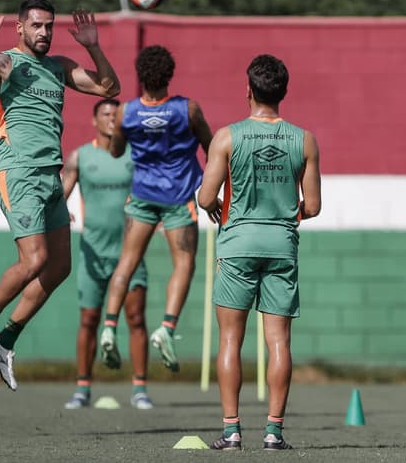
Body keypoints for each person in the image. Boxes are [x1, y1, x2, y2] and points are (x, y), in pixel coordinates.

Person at [0, 0, 120, 391]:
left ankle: (7, 339)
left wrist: (92, 44)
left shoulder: (58, 67)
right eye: (36, 26)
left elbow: (110, 87)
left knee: (58, 267)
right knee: (35, 259)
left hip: (50, 178)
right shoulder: (5, 63)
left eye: (49, 26)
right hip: (17, 172)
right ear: (19, 28)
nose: (44, 33)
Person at [197, 54, 321, 451]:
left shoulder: (227, 136)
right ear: (284, 92)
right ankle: (274, 432)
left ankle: (232, 431)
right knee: (279, 342)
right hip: (282, 245)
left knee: (230, 341)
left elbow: (204, 197)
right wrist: (284, 214)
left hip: (238, 244)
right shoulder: (305, 139)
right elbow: (313, 206)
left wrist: (217, 206)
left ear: (248, 90)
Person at [98, 45, 213, 374]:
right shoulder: (187, 109)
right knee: (184, 263)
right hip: (179, 196)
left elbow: (116, 152)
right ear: (170, 75)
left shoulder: (126, 113)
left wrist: (125, 135)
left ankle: (108, 327)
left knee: (127, 262)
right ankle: (166, 328)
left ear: (140, 77)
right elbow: (212, 146)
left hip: (142, 196)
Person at [61, 98, 154, 410]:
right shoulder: (81, 157)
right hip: (93, 255)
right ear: (94, 121)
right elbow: (61, 195)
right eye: (105, 114)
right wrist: (61, 213)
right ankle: (82, 389)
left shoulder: (135, 156)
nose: (112, 119)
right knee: (89, 320)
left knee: (136, 318)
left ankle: (140, 389)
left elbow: (153, 191)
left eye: (116, 114)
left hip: (130, 254)